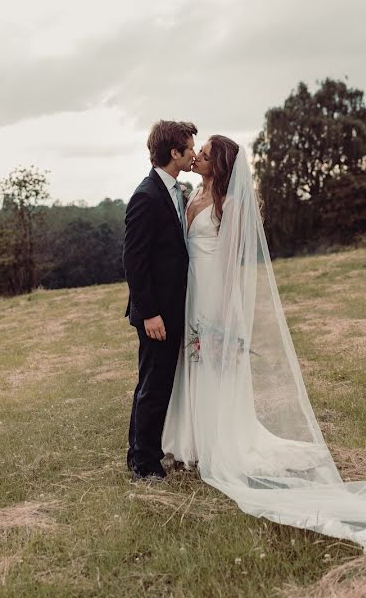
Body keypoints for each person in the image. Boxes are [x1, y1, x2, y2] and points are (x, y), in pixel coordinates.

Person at [161, 135, 366, 553]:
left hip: (214, 295)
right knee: (192, 366)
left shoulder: (230, 205)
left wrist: (223, 317)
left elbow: (233, 266)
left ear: (221, 164)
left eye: (206, 153)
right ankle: (192, 440)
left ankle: (221, 441)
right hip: (191, 291)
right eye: (197, 152)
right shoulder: (193, 193)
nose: (198, 156)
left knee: (214, 364)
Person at [122, 120, 196, 481]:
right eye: (190, 147)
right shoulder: (147, 195)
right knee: (153, 384)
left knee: (156, 381)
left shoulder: (174, 189)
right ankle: (143, 463)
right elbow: (134, 261)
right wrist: (150, 313)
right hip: (156, 314)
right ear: (174, 152)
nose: (194, 153)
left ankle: (142, 452)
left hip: (171, 309)